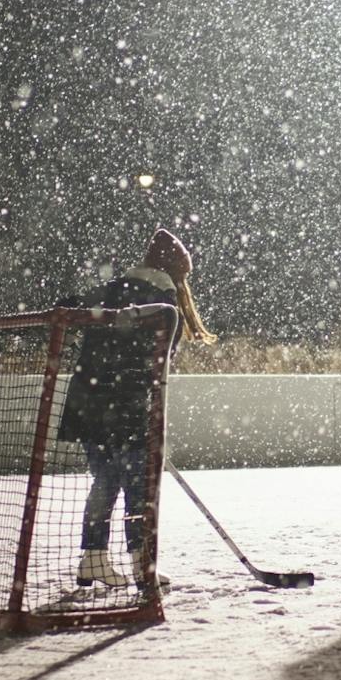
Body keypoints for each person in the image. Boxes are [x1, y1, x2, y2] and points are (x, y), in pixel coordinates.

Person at [57, 227, 215, 586]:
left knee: (105, 480)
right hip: (127, 404)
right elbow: (158, 358)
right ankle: (141, 563)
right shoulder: (162, 297)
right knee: (137, 487)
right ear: (175, 269)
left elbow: (70, 304)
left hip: (88, 399)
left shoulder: (113, 288)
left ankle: (94, 558)